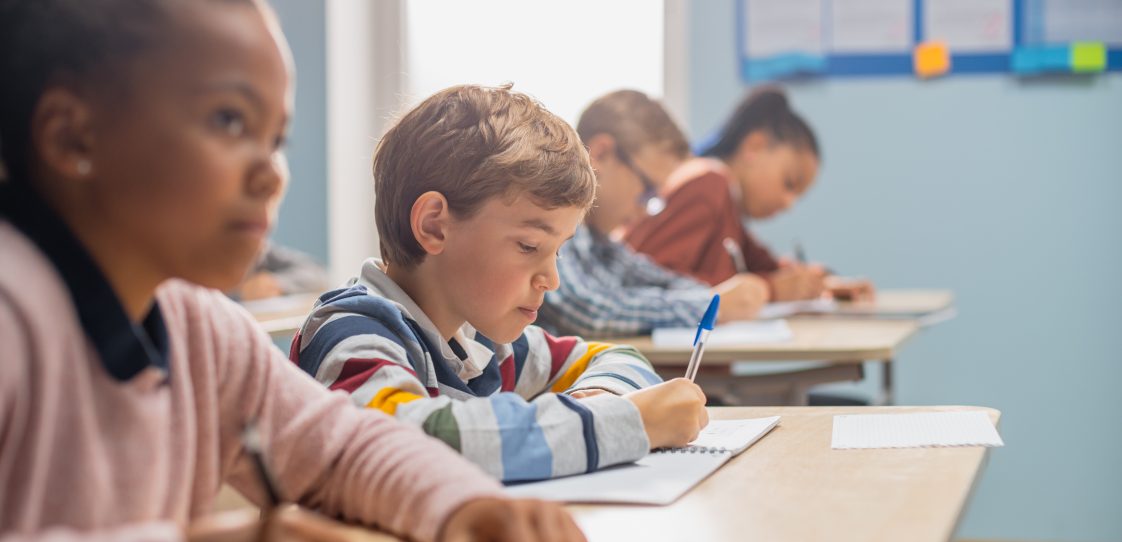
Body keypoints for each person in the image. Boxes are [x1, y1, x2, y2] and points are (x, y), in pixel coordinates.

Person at [0, 2, 588, 542]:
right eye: (230, 120)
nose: (271, 173)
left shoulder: (200, 327)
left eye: (275, 138)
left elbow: (340, 449)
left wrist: (460, 504)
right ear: (71, 137)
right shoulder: (15, 310)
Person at [293, 84, 709, 483]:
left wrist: (598, 399)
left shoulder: (483, 344)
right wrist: (626, 422)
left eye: (558, 250)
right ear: (434, 225)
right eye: (529, 246)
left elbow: (620, 357)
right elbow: (402, 447)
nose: (552, 279)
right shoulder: (348, 332)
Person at [538, 90, 769, 338]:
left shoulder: (599, 242)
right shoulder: (551, 219)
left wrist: (718, 297)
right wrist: (710, 306)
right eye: (647, 190)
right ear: (601, 154)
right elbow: (589, 311)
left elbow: (658, 279)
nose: (644, 210)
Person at [624, 87, 875, 302]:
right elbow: (649, 278)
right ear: (754, 146)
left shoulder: (727, 205)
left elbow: (764, 265)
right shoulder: (709, 183)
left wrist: (820, 282)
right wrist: (771, 289)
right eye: (789, 183)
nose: (789, 204)